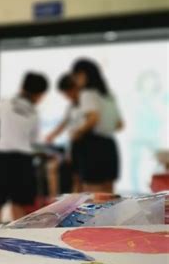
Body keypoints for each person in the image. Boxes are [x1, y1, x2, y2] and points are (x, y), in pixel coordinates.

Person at [0, 72, 49, 226]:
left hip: (2, 156)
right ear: (38, 94)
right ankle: (17, 241)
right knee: (19, 205)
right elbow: (33, 140)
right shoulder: (34, 113)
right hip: (23, 160)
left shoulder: (5, 103)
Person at [71, 58, 124, 193]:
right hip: (109, 145)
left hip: (93, 146)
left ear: (82, 74)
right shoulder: (109, 95)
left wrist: (78, 132)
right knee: (108, 194)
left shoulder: (87, 93)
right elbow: (120, 124)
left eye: (76, 77)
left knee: (93, 194)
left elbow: (93, 118)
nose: (76, 81)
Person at [45, 73, 84, 193]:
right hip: (74, 145)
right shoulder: (71, 106)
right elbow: (64, 122)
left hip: (86, 145)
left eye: (67, 93)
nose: (66, 97)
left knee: (81, 179)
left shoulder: (87, 103)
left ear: (74, 88)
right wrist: (52, 135)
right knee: (73, 178)